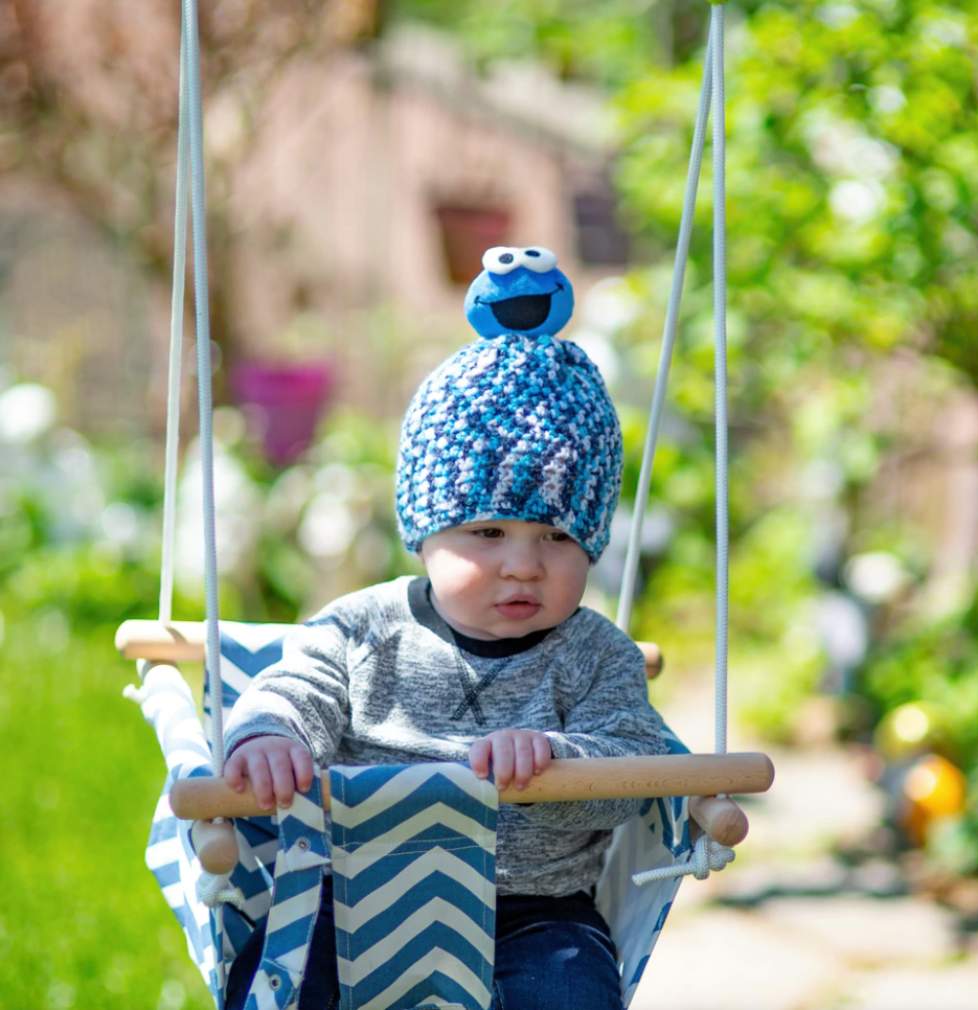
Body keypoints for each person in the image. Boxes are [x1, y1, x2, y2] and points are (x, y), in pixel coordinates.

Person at [221, 245, 683, 1010]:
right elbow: (294, 685)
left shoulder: (597, 652)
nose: (525, 566)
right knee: (280, 978)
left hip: (536, 912)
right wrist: (271, 735)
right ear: (426, 533)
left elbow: (636, 766)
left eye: (559, 537)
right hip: (356, 893)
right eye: (488, 534)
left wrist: (560, 760)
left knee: (571, 990)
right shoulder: (363, 628)